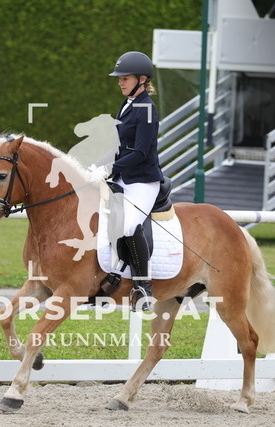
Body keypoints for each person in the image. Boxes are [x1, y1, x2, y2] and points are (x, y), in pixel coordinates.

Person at [103, 51, 164, 311]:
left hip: (142, 181)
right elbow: (119, 145)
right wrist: (97, 164)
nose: (120, 82)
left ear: (142, 79)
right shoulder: (127, 105)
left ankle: (143, 287)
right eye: (119, 78)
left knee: (129, 226)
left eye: (125, 78)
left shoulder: (147, 110)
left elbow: (139, 152)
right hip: (122, 177)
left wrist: (111, 167)